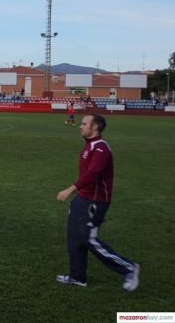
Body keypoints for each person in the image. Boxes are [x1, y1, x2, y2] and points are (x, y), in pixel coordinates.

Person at [56, 114, 140, 291]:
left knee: (89, 239)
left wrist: (70, 189)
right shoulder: (90, 146)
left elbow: (93, 174)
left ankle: (129, 268)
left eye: (84, 123)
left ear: (95, 127)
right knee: (74, 238)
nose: (80, 126)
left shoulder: (101, 147)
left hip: (95, 201)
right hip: (82, 199)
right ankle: (77, 277)